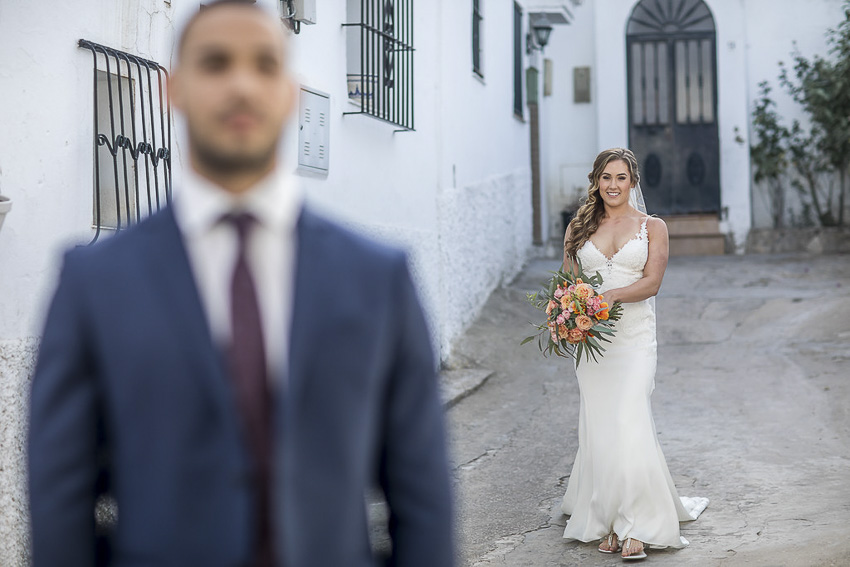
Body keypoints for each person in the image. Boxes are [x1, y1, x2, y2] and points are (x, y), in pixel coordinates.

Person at [28, 2, 455, 566]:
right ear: (173, 89)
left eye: (264, 64)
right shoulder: (94, 282)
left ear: (291, 93)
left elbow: (422, 495)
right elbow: (61, 495)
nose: (241, 84)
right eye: (216, 63)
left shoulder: (378, 279)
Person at [559, 148, 707, 560]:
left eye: (621, 177)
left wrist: (609, 297)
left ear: (633, 182)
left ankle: (638, 524)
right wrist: (567, 316)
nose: (612, 185)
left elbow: (652, 282)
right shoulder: (578, 227)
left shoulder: (652, 227)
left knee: (630, 419)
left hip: (634, 338)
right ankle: (610, 518)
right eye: (606, 177)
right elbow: (567, 284)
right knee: (602, 426)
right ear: (596, 180)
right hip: (593, 344)